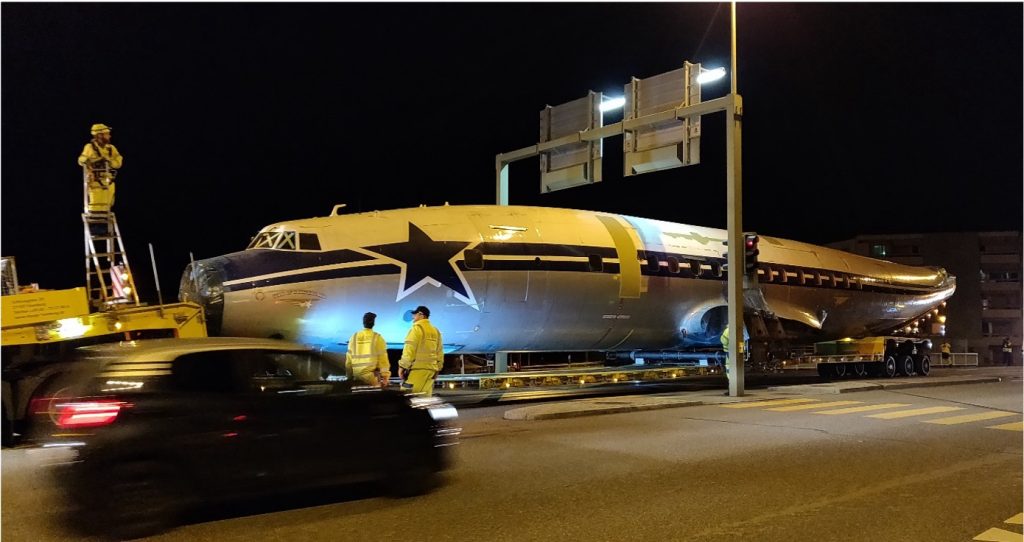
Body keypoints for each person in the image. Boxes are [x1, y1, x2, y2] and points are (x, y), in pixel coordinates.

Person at [398, 305, 443, 396]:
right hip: (431, 372)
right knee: (424, 400)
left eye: (414, 315)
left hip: (418, 370)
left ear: (421, 315)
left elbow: (409, 350)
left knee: (406, 395)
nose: (413, 317)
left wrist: (402, 367)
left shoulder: (416, 329)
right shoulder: (436, 331)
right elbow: (440, 352)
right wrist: (437, 369)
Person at [78, 123, 123, 212]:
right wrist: (93, 161)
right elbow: (81, 160)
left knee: (107, 208)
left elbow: (118, 163)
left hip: (108, 183)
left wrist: (108, 161)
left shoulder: (111, 148)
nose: (109, 136)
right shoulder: (89, 147)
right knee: (96, 208)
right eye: (107, 134)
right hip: (95, 183)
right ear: (99, 135)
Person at [345, 312, 391, 388]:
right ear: (374, 323)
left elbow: (348, 361)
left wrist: (349, 377)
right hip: (371, 379)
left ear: (363, 323)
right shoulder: (377, 338)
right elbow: (383, 360)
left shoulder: (354, 337)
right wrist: (385, 378)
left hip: (356, 378)